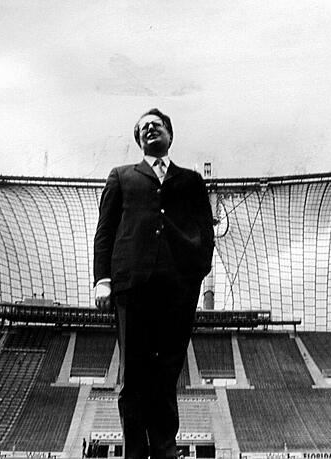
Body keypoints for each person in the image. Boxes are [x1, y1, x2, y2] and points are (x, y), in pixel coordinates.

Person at [94, 108, 215, 459]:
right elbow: (105, 231)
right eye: (143, 127)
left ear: (169, 134)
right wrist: (103, 279)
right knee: (134, 374)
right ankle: (134, 453)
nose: (150, 129)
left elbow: (205, 231)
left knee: (167, 371)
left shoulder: (191, 180)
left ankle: (165, 450)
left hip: (178, 289)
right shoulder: (121, 177)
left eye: (156, 124)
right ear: (138, 139)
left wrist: (196, 273)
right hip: (132, 286)